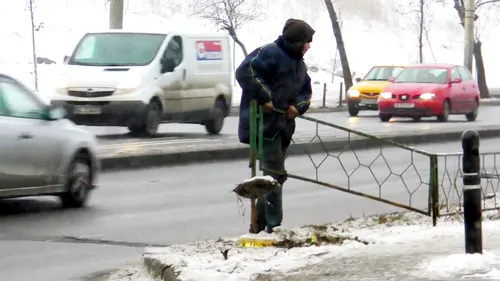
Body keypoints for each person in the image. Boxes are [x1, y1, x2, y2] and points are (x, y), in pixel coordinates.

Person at [235, 18, 315, 233]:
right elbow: (245, 71)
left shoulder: (299, 65)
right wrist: (265, 97)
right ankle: (273, 226)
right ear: (296, 41)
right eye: (306, 42)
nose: (308, 47)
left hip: (282, 126)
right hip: (263, 124)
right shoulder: (269, 53)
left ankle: (259, 225)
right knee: (273, 175)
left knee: (274, 175)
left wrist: (298, 107)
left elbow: (305, 91)